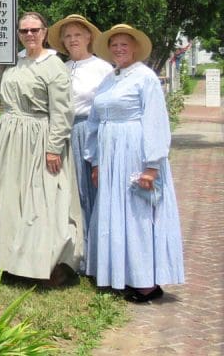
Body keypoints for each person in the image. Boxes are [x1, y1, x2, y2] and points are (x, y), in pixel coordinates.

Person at [0, 12, 82, 283]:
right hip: (8, 137)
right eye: (24, 31)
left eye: (34, 30)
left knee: (39, 199)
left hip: (39, 137)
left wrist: (53, 147)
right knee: (2, 196)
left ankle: (40, 262)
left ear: (45, 31)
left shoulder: (54, 66)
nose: (29, 35)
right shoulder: (14, 62)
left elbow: (62, 111)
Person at [85, 24, 184, 302]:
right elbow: (95, 120)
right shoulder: (109, 79)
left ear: (135, 48)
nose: (118, 49)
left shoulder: (145, 78)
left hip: (134, 152)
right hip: (110, 153)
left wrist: (152, 166)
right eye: (114, 45)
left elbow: (155, 120)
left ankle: (146, 283)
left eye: (124, 45)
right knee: (116, 214)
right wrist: (95, 161)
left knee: (138, 215)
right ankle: (121, 274)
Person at [47, 14, 112, 272]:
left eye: (77, 35)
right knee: (68, 193)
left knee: (90, 191)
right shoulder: (60, 68)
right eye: (68, 36)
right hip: (63, 132)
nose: (73, 40)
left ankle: (95, 258)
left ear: (88, 37)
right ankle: (72, 253)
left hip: (90, 130)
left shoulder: (102, 69)